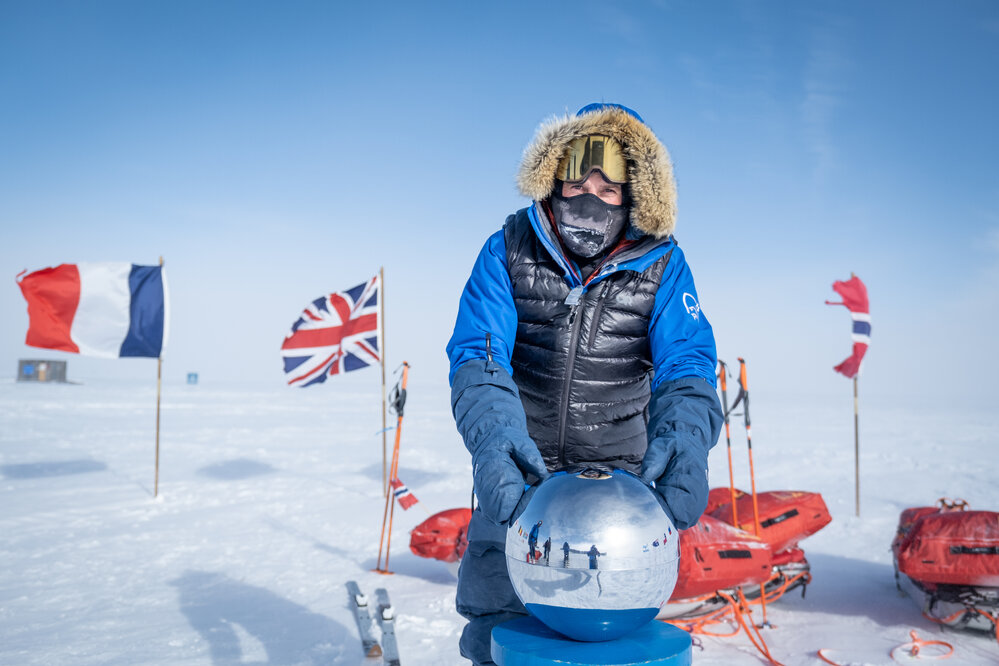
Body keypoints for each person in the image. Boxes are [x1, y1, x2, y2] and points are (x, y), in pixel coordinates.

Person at [446, 102, 723, 665]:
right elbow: (480, 351)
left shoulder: (664, 266)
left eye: (608, 186)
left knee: (609, 635)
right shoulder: (507, 247)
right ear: (553, 178)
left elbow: (687, 364)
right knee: (498, 637)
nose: (589, 198)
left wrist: (686, 441)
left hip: (619, 495)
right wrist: (496, 440)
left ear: (636, 195)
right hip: (518, 478)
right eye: (577, 180)